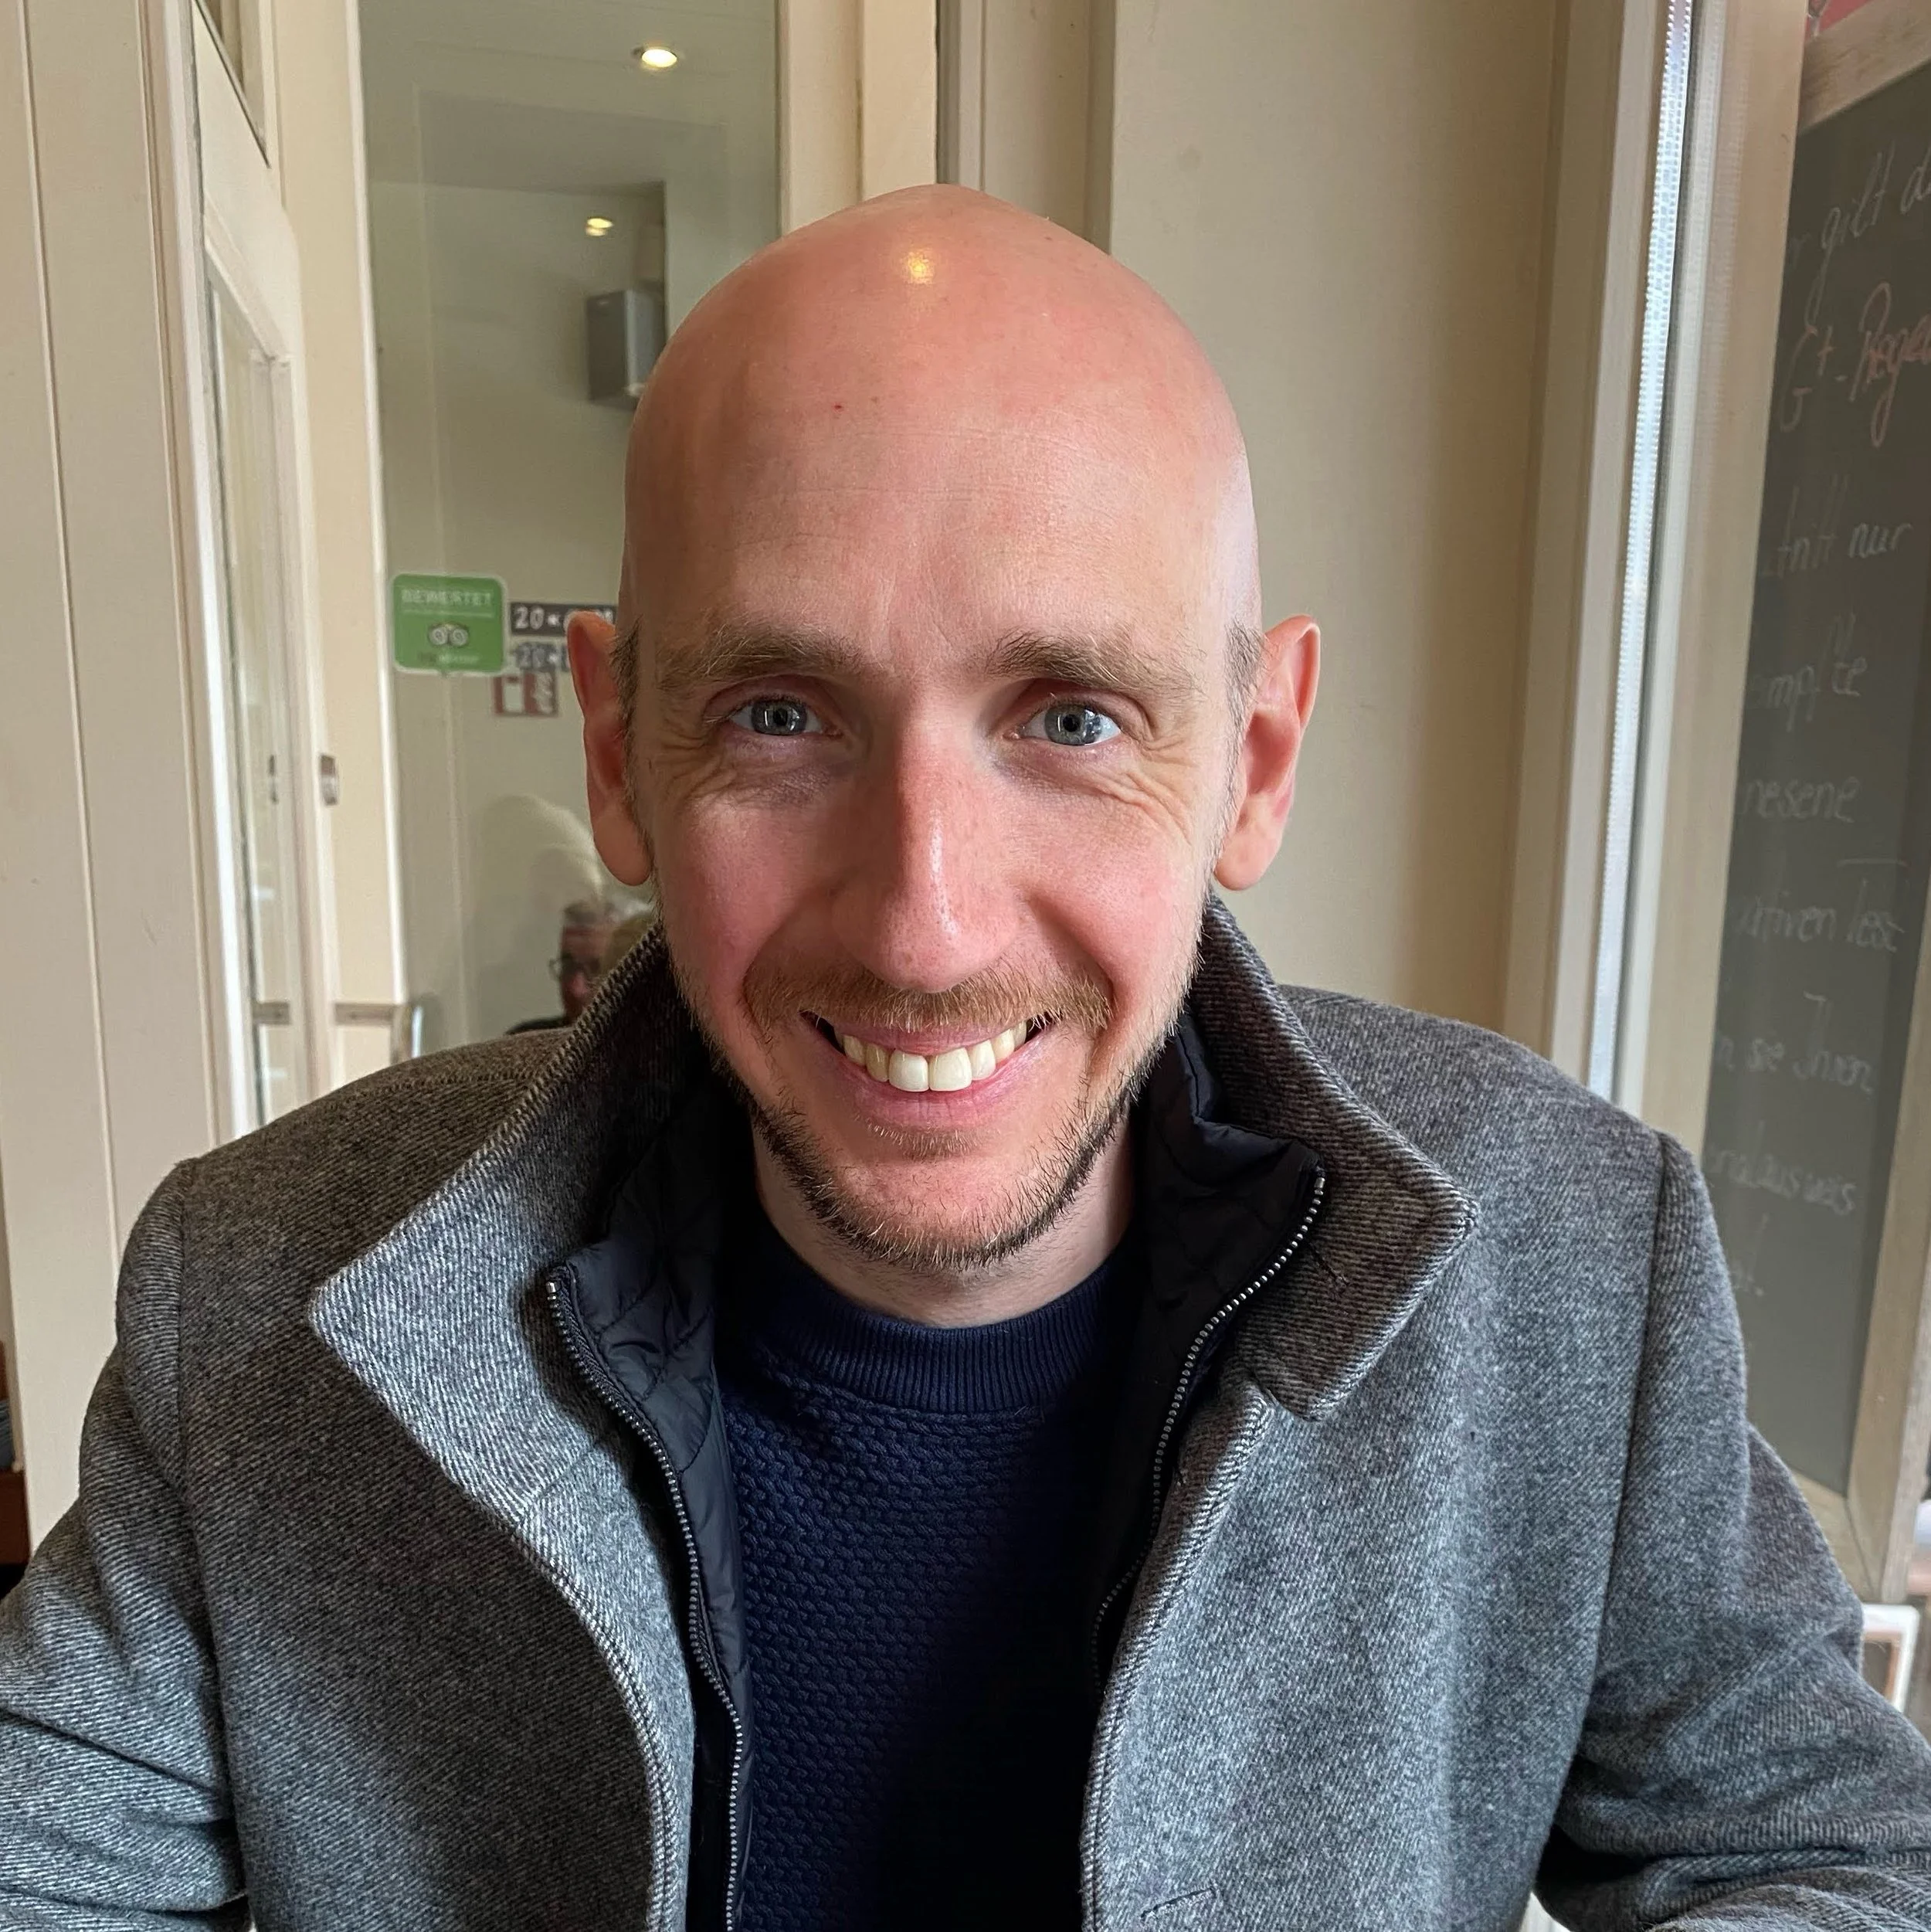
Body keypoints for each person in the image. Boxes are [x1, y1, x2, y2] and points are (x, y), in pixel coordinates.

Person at [2, 188, 1929, 1932]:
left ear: (1252, 761)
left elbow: (1835, 1860)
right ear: (616, 752)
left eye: (1070, 716)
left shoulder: (1577, 1264)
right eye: (779, 712)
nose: (924, 926)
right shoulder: (257, 1298)